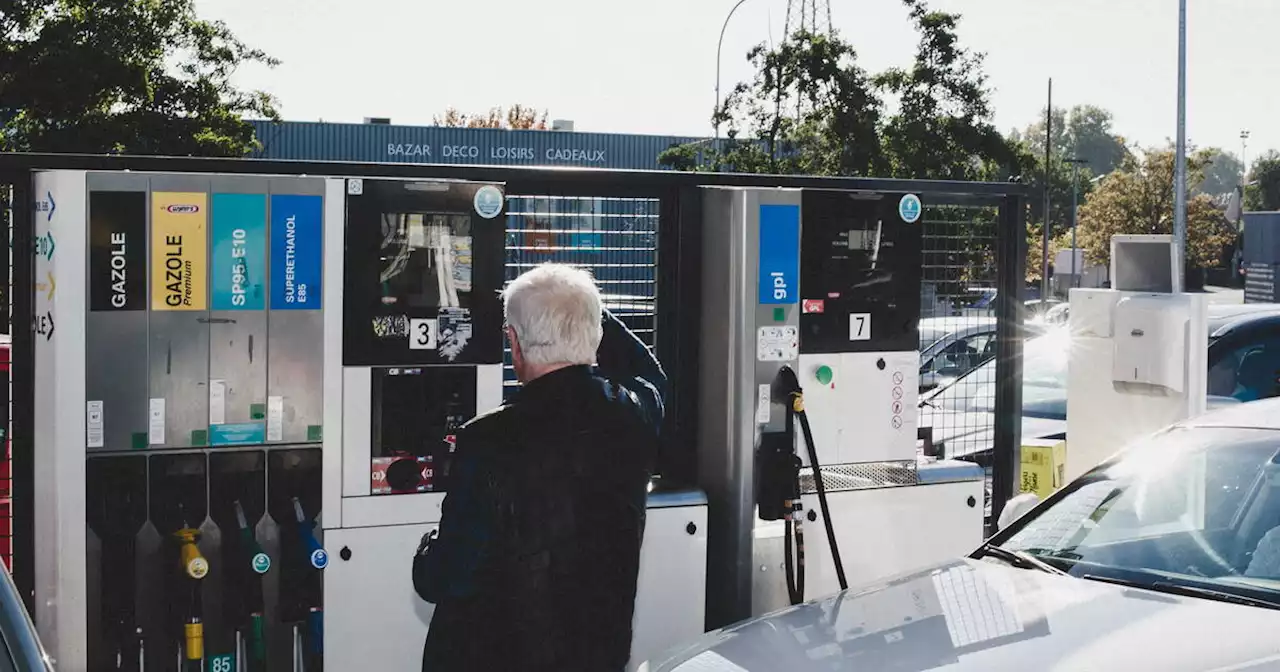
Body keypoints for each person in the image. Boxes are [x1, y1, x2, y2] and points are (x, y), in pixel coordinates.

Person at [413, 263, 666, 672]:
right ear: (595, 333)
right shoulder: (635, 415)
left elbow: (445, 577)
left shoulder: (487, 439)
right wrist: (581, 310)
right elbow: (649, 370)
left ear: (513, 341)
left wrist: (426, 550)